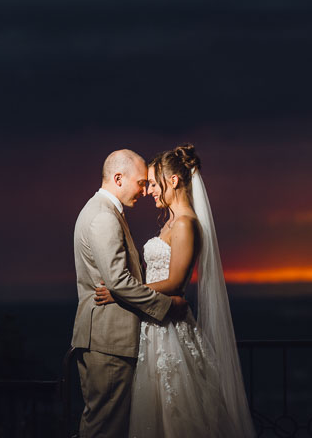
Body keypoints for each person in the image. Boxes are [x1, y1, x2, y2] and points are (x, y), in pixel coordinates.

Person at [94, 145, 256, 438]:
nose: (149, 191)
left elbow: (175, 282)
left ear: (173, 181)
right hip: (154, 325)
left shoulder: (185, 223)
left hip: (170, 329)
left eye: (154, 184)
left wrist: (121, 293)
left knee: (177, 415)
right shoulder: (171, 222)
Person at [71, 149, 187, 438]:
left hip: (106, 338)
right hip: (109, 340)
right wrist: (168, 306)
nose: (145, 190)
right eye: (140, 183)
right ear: (118, 178)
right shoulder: (103, 217)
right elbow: (120, 282)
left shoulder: (102, 211)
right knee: (105, 429)